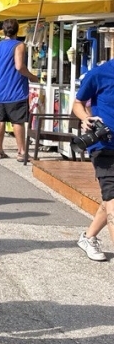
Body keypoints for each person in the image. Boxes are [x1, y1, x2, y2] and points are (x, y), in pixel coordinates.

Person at [71, 56, 114, 262]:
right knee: (113, 199)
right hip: (104, 146)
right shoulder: (98, 73)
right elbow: (78, 102)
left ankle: (88, 237)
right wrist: (85, 118)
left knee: (110, 200)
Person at [0, 19, 39, 161]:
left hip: (0, 88)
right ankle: (22, 152)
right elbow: (19, 66)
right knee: (17, 121)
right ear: (17, 30)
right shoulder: (19, 45)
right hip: (15, 88)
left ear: (4, 30)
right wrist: (32, 76)